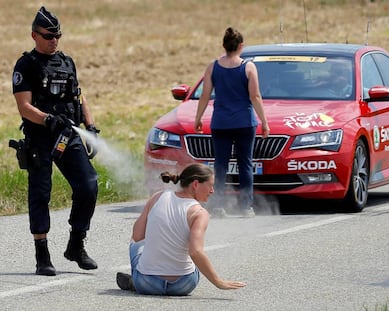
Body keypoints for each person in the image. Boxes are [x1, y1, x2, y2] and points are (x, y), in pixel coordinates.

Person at [11, 6, 100, 276]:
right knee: (41, 194)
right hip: (40, 139)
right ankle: (42, 256)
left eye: (57, 36)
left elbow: (79, 96)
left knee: (89, 185)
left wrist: (91, 126)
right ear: (34, 35)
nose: (54, 41)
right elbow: (24, 107)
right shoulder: (26, 65)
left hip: (68, 136)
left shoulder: (67, 62)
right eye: (48, 36)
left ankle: (76, 244)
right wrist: (48, 119)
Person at [116, 163, 246, 295]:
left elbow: (137, 236)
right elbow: (195, 251)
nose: (212, 191)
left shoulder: (158, 197)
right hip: (183, 284)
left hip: (147, 283)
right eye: (210, 185)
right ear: (195, 184)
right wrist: (219, 282)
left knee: (135, 246)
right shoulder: (200, 213)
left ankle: (135, 281)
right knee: (191, 262)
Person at [194, 27, 270, 218]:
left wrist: (198, 118)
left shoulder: (213, 67)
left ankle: (218, 205)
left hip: (220, 123)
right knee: (245, 164)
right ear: (241, 46)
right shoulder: (248, 67)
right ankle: (245, 207)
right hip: (245, 122)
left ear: (224, 46)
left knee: (220, 165)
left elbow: (204, 95)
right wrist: (264, 122)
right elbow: (255, 96)